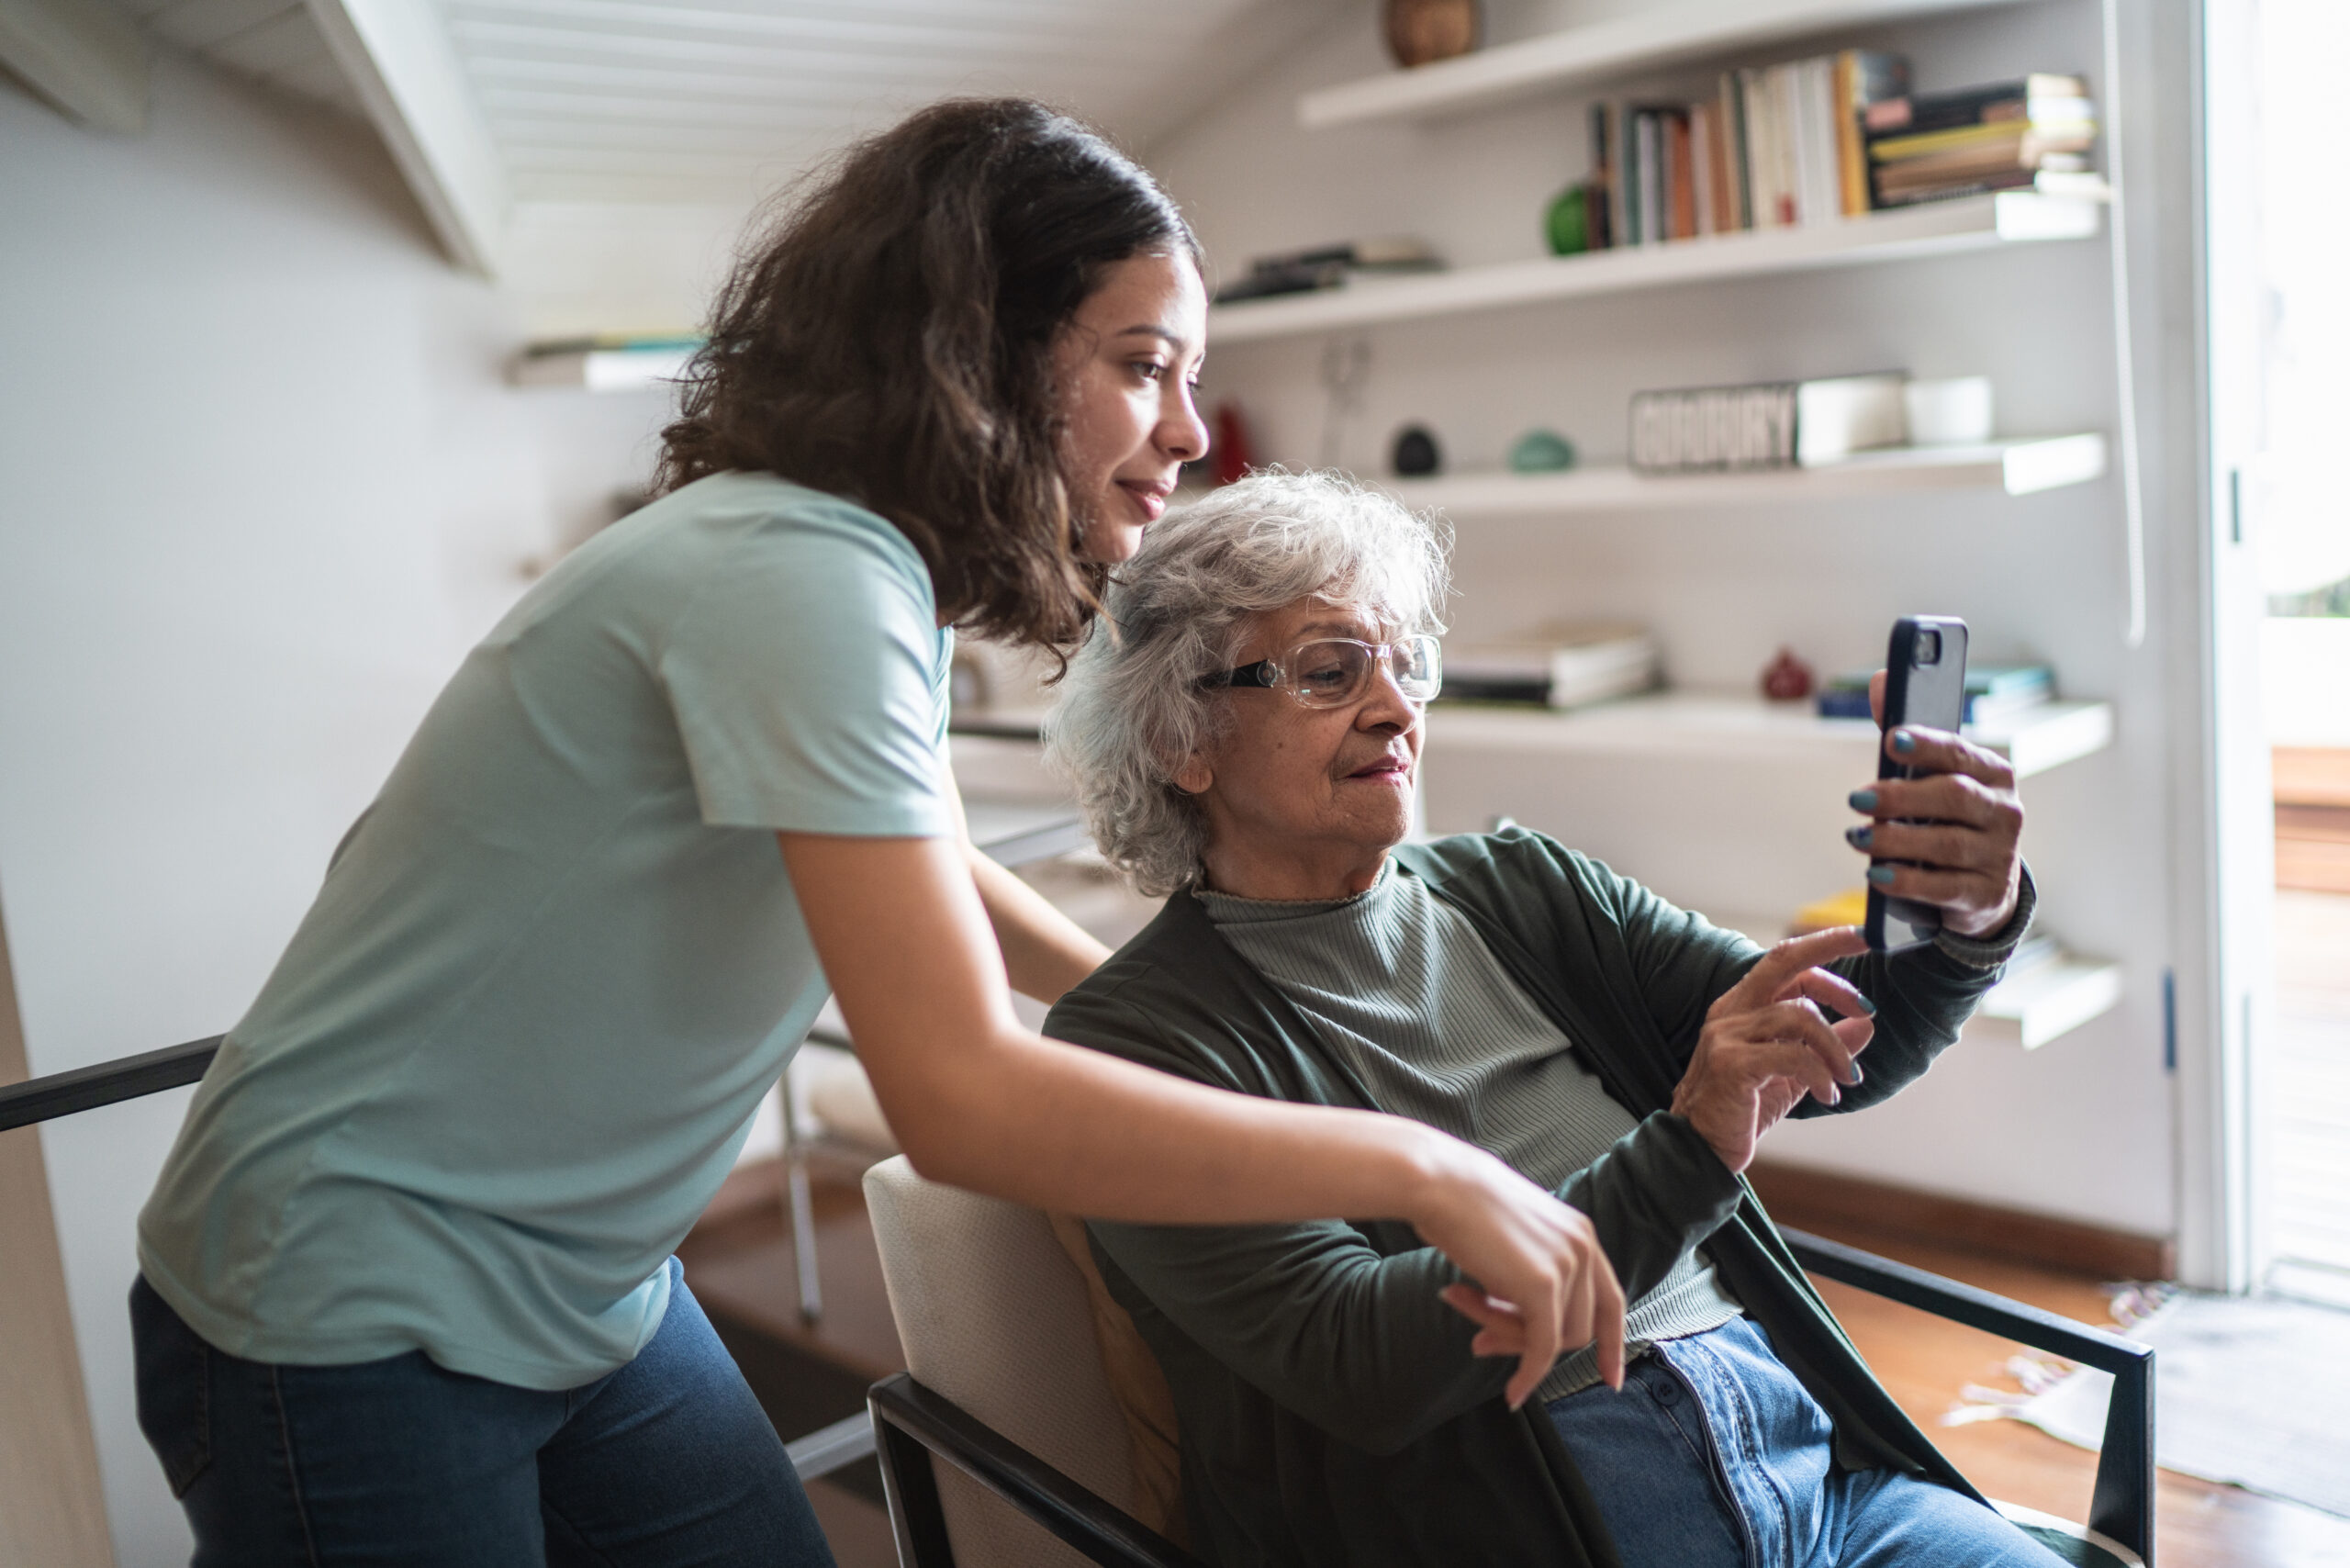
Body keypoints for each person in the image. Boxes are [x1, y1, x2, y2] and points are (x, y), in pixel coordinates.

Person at [128, 103, 1621, 1567]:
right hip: (346, 1290)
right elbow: (958, 1097)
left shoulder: (838, 564)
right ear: (988, 350)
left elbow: (934, 872)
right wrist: (1427, 1169)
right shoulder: (801, 571)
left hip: (583, 1290)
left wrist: (1152, 997)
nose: (1182, 429)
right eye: (1144, 364)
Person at [1043, 471, 2063, 1567]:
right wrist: (1687, 1150)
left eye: (1403, 662)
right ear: (1180, 738)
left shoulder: (1522, 888)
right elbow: (1363, 1360)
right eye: (1330, 671)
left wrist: (1966, 916)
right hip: (1548, 1516)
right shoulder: (1132, 1048)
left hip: (1815, 1476)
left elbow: (1832, 1045)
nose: (1394, 707)